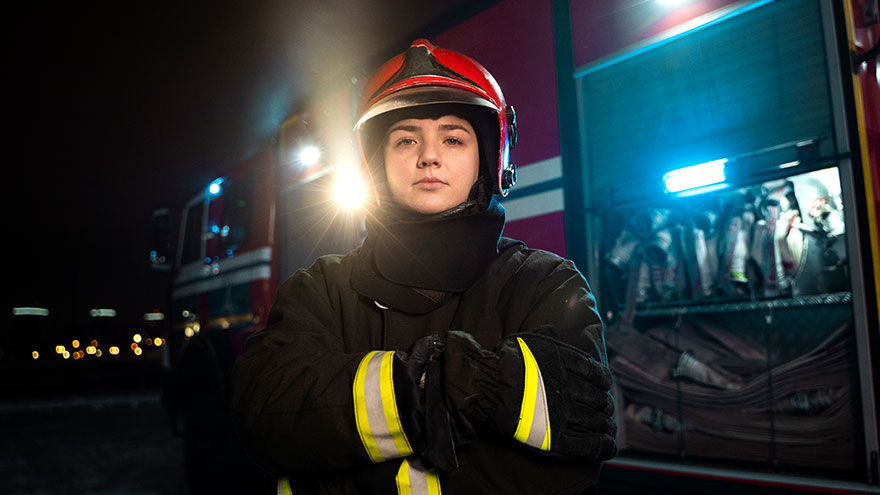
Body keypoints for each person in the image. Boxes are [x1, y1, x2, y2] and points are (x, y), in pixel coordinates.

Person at [231, 39, 617, 495]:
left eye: (453, 138)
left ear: (491, 159)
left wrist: (337, 474)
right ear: (375, 163)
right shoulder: (320, 291)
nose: (427, 156)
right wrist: (429, 387)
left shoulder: (545, 286)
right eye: (405, 139)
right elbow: (264, 419)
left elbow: (567, 466)